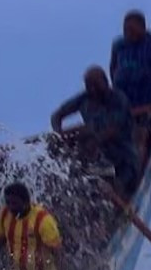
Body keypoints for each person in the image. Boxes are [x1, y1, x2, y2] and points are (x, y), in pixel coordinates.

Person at [50, 66, 141, 196]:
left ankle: (117, 195)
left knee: (118, 188)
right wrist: (58, 133)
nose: (92, 90)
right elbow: (57, 115)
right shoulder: (84, 98)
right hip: (98, 158)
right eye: (89, 86)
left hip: (123, 158)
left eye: (96, 86)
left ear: (105, 82)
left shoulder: (118, 99)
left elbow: (112, 130)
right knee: (78, 177)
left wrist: (93, 141)